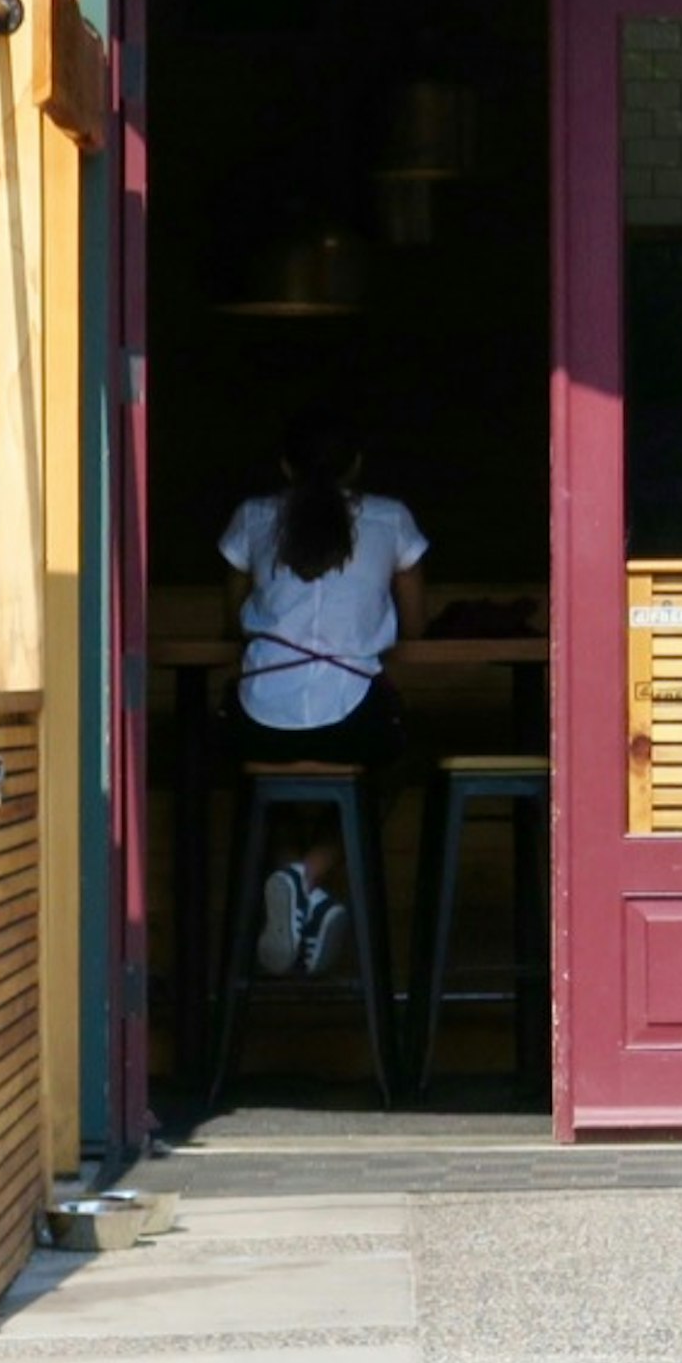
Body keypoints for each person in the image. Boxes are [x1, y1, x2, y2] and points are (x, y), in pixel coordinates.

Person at [217, 405, 427, 980]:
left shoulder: (252, 518)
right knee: (398, 763)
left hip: (258, 715)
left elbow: (232, 616)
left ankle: (290, 871)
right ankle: (309, 873)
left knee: (253, 773)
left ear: (285, 467)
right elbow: (415, 625)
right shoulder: (391, 520)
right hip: (351, 716)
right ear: (357, 464)